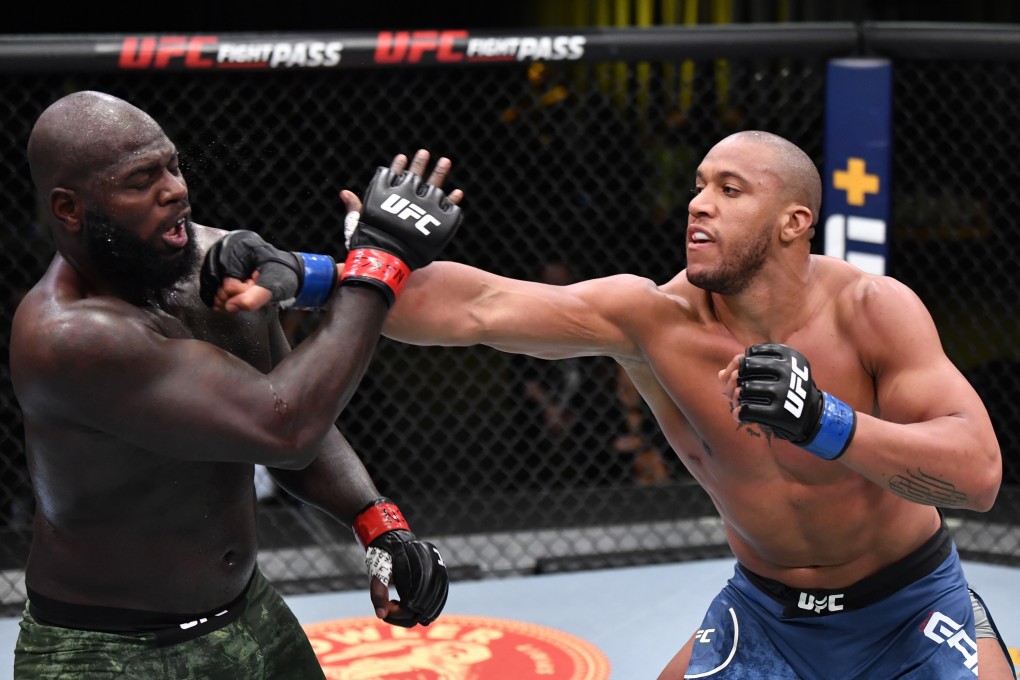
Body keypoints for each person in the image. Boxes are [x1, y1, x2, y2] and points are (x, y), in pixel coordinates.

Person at [211, 132, 1014, 678]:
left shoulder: (875, 311)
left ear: (793, 223)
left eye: (729, 191)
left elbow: (976, 474)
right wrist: (311, 272)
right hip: (767, 614)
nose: (698, 204)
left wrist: (826, 423)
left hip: (907, 603)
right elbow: (480, 307)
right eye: (699, 186)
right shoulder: (653, 319)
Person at [9, 90, 461, 679]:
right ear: (69, 209)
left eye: (171, 165)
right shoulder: (69, 335)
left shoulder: (210, 262)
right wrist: (380, 260)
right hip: (107, 652)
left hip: (247, 612)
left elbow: (298, 406)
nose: (174, 190)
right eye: (141, 180)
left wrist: (377, 524)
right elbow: (284, 425)